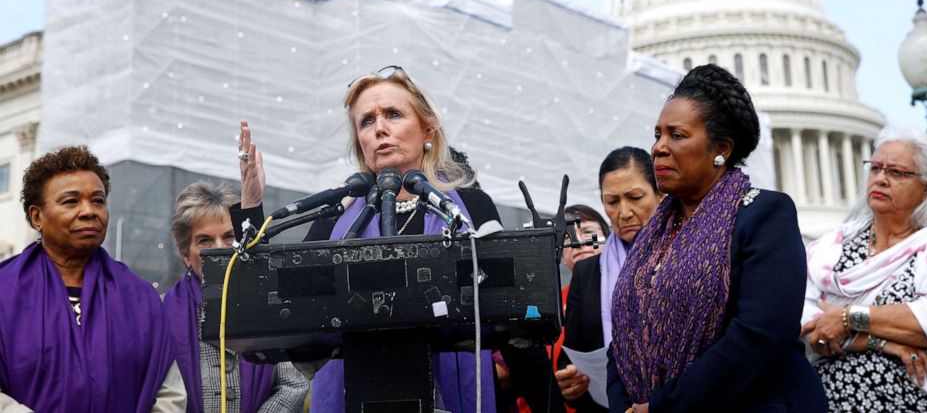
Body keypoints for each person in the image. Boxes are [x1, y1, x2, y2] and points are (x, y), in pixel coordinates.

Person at [241, 65, 557, 413]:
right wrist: (252, 206)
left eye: (393, 114)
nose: (380, 129)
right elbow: (278, 298)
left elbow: (512, 318)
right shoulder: (337, 217)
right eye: (367, 121)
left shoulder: (470, 207)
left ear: (427, 129)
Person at [607, 64, 826, 413]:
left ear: (721, 148)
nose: (659, 148)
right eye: (657, 135)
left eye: (676, 135)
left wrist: (664, 406)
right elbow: (624, 337)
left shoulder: (764, 215)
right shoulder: (653, 236)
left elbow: (760, 336)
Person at [801, 126, 927, 411]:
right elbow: (807, 326)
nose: (880, 179)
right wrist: (877, 341)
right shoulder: (828, 249)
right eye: (875, 168)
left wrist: (848, 316)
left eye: (897, 172)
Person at [0, 146, 185, 412]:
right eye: (71, 201)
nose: (89, 211)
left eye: (98, 200)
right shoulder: (5, 293)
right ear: (37, 216)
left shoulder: (140, 298)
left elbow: (169, 394)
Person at [163, 180, 309, 412]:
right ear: (185, 255)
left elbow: (293, 385)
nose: (220, 247)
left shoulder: (268, 306)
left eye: (229, 236)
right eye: (205, 240)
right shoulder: (159, 313)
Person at [557, 148, 662, 412]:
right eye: (612, 201)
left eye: (635, 197)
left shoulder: (690, 257)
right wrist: (571, 385)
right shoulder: (588, 272)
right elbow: (570, 357)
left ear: (661, 194)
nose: (624, 212)